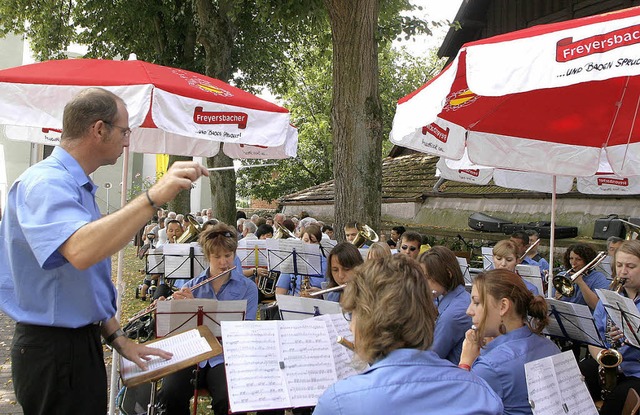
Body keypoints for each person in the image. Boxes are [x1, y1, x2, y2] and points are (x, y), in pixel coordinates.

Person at [0, 88, 208, 414]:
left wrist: (117, 337)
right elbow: (82, 251)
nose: (127, 142)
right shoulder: (45, 183)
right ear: (99, 129)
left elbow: (81, 280)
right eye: (124, 131)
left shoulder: (74, 186)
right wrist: (153, 197)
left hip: (78, 344)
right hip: (53, 351)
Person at [313, 255, 504, 415]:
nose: (350, 328)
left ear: (367, 319)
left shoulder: (338, 402)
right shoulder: (481, 393)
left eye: (352, 316)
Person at [157, 223, 258, 415]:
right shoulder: (192, 286)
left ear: (235, 254)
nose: (223, 262)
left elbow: (248, 330)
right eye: (217, 257)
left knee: (228, 398)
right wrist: (167, 309)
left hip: (224, 357)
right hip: (191, 356)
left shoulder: (248, 288)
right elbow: (176, 334)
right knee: (170, 394)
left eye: (228, 256)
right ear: (207, 257)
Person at [460, 269, 560, 415]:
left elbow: (458, 406)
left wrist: (465, 362)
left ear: (503, 307)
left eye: (476, 302)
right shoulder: (550, 346)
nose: (469, 311)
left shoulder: (489, 367)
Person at [580, 240, 640, 415]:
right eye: (619, 265)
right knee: (574, 381)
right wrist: (602, 359)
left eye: (631, 266)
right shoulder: (608, 298)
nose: (623, 271)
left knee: (617, 401)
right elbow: (594, 337)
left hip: (636, 371)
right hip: (610, 364)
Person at [418, 246, 471, 364]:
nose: (423, 283)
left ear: (448, 274)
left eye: (427, 277)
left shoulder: (452, 315)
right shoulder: (461, 296)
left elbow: (430, 358)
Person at [275, 225, 327, 296]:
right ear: (300, 240)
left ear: (319, 243)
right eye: (306, 241)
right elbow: (280, 292)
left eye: (313, 242)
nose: (309, 244)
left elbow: (332, 294)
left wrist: (320, 292)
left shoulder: (327, 264)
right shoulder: (291, 261)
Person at [555, 243, 609, 310]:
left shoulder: (598, 278)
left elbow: (596, 306)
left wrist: (581, 282)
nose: (573, 262)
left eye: (578, 259)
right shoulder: (562, 275)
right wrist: (556, 297)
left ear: (587, 260)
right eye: (571, 258)